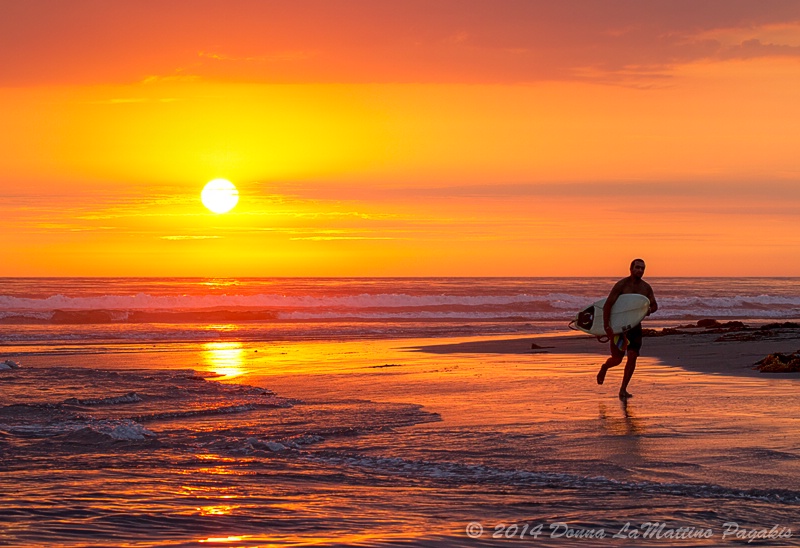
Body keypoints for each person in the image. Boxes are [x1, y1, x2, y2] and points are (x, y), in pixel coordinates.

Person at [596, 259, 658, 399]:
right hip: (619, 329)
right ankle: (605, 367)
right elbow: (608, 305)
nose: (640, 271)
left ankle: (623, 389)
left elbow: (654, 306)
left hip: (635, 327)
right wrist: (607, 326)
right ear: (631, 268)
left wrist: (648, 310)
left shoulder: (646, 288)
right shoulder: (621, 285)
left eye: (642, 268)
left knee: (632, 356)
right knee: (617, 359)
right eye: (637, 267)